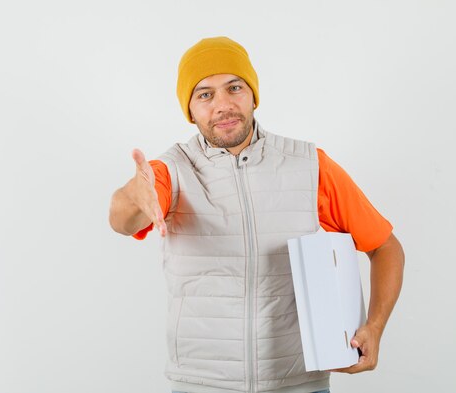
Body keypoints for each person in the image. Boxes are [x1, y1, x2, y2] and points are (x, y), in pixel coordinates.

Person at [109, 37, 405, 393]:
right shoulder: (170, 171)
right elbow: (121, 220)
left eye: (234, 87)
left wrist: (374, 326)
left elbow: (385, 246)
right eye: (205, 94)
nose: (223, 105)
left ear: (253, 95)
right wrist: (133, 197)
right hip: (201, 384)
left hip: (299, 383)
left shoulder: (310, 166)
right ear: (190, 109)